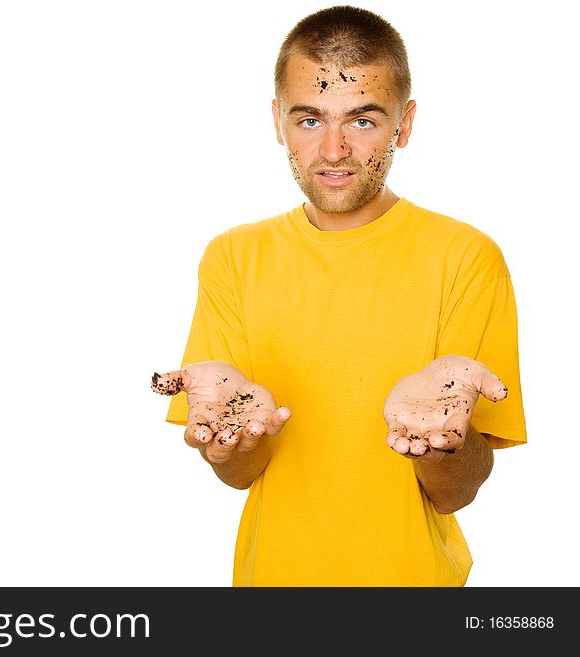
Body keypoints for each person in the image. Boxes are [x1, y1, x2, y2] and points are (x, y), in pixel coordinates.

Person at [151, 5, 526, 586]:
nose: (332, 151)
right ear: (277, 121)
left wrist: (437, 440)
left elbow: (459, 491)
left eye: (361, 121)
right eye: (308, 120)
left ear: (404, 123)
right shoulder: (232, 258)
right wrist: (228, 440)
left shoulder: (467, 258)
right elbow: (243, 474)